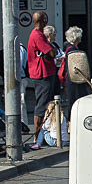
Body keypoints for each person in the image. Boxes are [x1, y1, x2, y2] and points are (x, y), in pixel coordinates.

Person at [27, 11, 58, 145]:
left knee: (49, 102)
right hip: (42, 73)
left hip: (47, 72)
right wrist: (52, 50)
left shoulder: (39, 35)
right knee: (41, 104)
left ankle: (44, 134)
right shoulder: (37, 35)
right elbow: (51, 52)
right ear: (43, 20)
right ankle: (37, 136)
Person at [59, 26, 92, 128]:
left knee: (71, 101)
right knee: (75, 101)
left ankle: (71, 123)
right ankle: (71, 124)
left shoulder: (67, 48)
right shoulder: (74, 50)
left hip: (69, 79)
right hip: (75, 79)